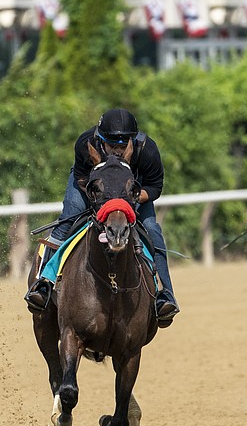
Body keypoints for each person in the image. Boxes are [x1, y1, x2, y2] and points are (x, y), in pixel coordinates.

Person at [24, 108, 179, 328]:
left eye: (122, 146)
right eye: (111, 146)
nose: (116, 151)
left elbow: (154, 187)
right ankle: (43, 284)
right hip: (92, 188)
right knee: (68, 221)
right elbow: (80, 177)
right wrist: (100, 202)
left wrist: (127, 200)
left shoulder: (147, 151)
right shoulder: (85, 143)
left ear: (132, 142)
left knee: (152, 229)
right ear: (100, 140)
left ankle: (166, 296)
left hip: (131, 194)